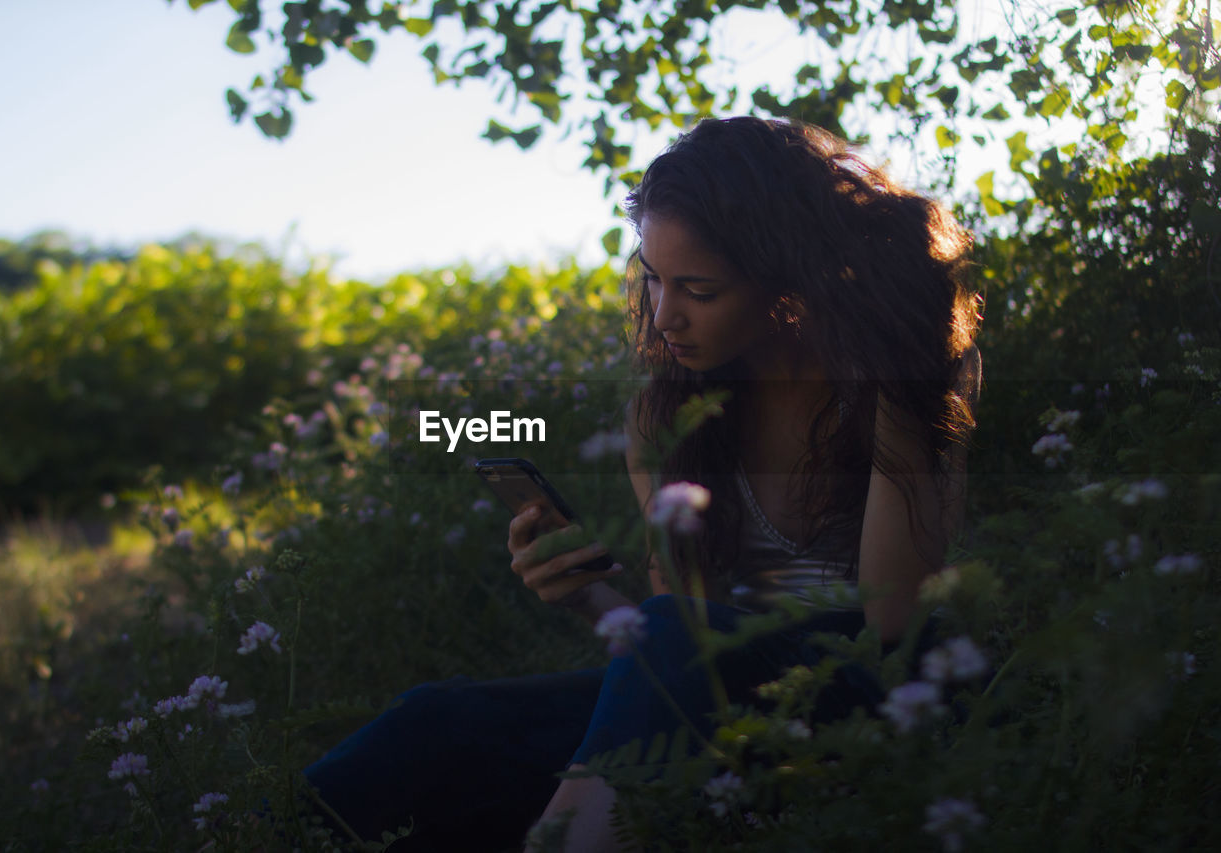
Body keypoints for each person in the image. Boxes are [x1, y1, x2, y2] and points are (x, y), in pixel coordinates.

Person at [302, 116, 982, 852]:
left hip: (871, 702)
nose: (665, 316)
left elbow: (895, 618)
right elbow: (674, 645)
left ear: (788, 276)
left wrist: (906, 376)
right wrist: (587, 592)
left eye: (698, 288)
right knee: (439, 722)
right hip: (725, 708)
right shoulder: (666, 417)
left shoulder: (901, 384)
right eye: (653, 279)